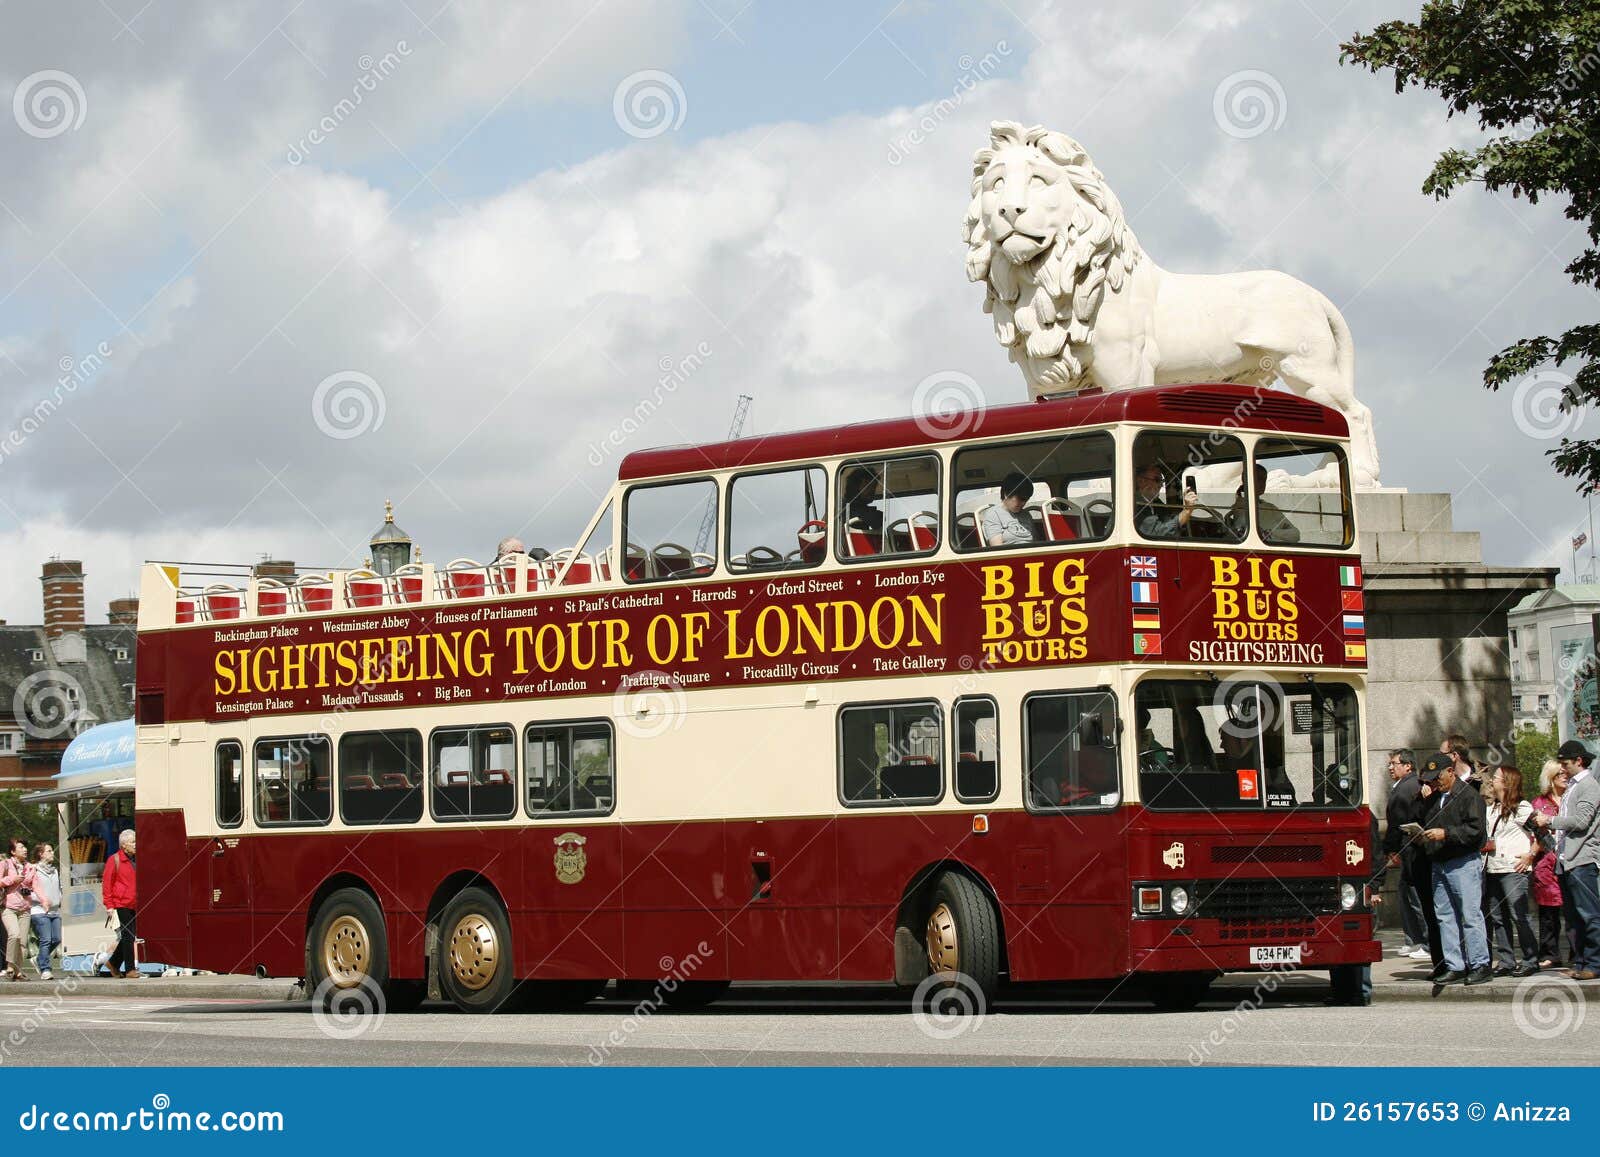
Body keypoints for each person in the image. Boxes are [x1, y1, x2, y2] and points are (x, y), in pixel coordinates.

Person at [1421, 751, 1491, 985]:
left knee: (1470, 915)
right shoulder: (1434, 798)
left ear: (1450, 772)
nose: (1435, 781)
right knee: (1445, 916)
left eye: (1437, 776)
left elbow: (1476, 832)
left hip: (1462, 862)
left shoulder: (1469, 796)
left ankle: (1480, 963)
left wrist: (1446, 833)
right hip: (1440, 862)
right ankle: (1455, 965)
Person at [1533, 739, 1600, 980]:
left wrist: (1548, 821)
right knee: (1572, 918)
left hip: (1582, 860)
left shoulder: (1589, 785)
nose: (1562, 768)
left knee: (1589, 914)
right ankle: (1581, 962)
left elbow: (1581, 821)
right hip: (1566, 860)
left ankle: (1594, 963)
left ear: (1579, 761)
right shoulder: (1573, 785)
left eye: (1565, 763)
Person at [1483, 765, 1540, 977]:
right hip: (1493, 869)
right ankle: (1506, 960)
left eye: (1496, 778)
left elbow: (1543, 833)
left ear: (1507, 782)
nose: (1492, 781)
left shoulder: (1521, 808)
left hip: (1514, 869)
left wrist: (1530, 855)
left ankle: (1530, 959)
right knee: (1498, 916)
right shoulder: (1493, 808)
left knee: (1519, 915)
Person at [1329, 811, 1385, 1005]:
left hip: (1360, 885)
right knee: (1336, 940)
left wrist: (1375, 888)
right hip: (1340, 887)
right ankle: (1341, 992)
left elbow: (1376, 856)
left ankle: (1361, 992)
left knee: (1360, 939)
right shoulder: (1330, 813)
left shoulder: (1365, 817)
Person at [1382, 749, 1431, 959]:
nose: (1391, 768)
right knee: (1405, 894)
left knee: (1415, 896)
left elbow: (1396, 824)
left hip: (1409, 849)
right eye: (1390, 764)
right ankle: (1414, 939)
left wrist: (1390, 849)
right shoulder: (1406, 786)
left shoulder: (1407, 788)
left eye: (1394, 763)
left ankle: (1426, 942)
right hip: (1407, 849)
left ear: (1407, 765)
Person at [1531, 758, 1570, 968]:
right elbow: (1536, 834)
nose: (1564, 777)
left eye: (1566, 773)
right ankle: (1550, 953)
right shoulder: (1539, 803)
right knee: (1548, 912)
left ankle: (1578, 951)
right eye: (1559, 774)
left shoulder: (1572, 798)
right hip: (1547, 863)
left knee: (1575, 910)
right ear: (1550, 779)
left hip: (1570, 859)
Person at [1224, 463, 1300, 544]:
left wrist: (1269, 533)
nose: (1262, 483)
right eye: (1259, 479)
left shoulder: (1270, 507)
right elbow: (1243, 533)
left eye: (1264, 479)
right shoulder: (1240, 509)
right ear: (1245, 480)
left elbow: (1295, 534)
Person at [102, 829, 138, 979]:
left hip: (135, 903)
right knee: (128, 936)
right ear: (124, 845)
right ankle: (130, 969)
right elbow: (107, 884)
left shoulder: (137, 859)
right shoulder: (114, 860)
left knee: (128, 936)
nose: (136, 845)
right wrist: (109, 905)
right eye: (133, 842)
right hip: (121, 903)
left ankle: (113, 963)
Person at [1134, 460, 1197, 539]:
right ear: (1141, 481)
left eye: (1162, 481)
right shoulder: (1135, 505)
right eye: (1157, 480)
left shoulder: (1156, 502)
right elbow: (1159, 533)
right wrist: (1187, 510)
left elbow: (1169, 518)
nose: (1160, 485)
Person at [0, 840, 33, 981]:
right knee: (14, 935)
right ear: (13, 851)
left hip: (25, 908)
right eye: (21, 847)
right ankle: (9, 967)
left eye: (25, 847)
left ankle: (17, 971)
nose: (25, 849)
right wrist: (13, 879)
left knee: (23, 942)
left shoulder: (30, 867)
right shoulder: (5, 863)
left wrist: (44, 900)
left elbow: (36, 885)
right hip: (8, 907)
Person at [28, 844, 61, 981]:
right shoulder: (33, 869)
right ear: (40, 854)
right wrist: (42, 900)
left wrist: (59, 898)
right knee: (46, 939)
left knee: (57, 939)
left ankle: (39, 958)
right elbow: (28, 891)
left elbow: (58, 888)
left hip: (54, 910)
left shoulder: (55, 870)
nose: (52, 852)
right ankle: (45, 969)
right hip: (39, 910)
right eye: (49, 851)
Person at [980, 472, 1039, 547]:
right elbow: (997, 548)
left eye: (1026, 500)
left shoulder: (1026, 514)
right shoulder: (993, 514)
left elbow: (1037, 542)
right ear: (1006, 494)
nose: (1023, 503)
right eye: (1020, 499)